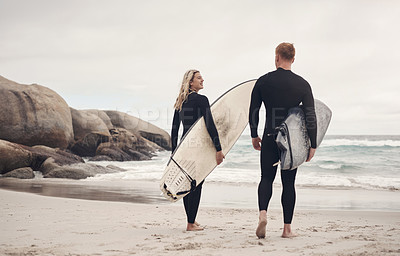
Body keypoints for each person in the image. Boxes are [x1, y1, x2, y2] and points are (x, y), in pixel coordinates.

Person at [249, 43, 317, 238]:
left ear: (277, 57)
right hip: (291, 142)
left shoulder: (263, 81)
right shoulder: (302, 84)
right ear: (293, 59)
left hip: (270, 137)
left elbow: (253, 111)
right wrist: (312, 144)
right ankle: (287, 229)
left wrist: (254, 134)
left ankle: (263, 214)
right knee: (289, 183)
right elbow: (310, 115)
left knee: (266, 178)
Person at [171, 69, 225, 231]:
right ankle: (190, 223)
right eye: (199, 78)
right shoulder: (202, 100)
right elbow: (209, 124)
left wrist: (174, 152)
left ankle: (191, 220)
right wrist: (218, 148)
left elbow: (174, 130)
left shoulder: (180, 101)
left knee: (188, 183)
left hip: (183, 146)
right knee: (197, 183)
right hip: (197, 147)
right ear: (191, 82)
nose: (203, 80)